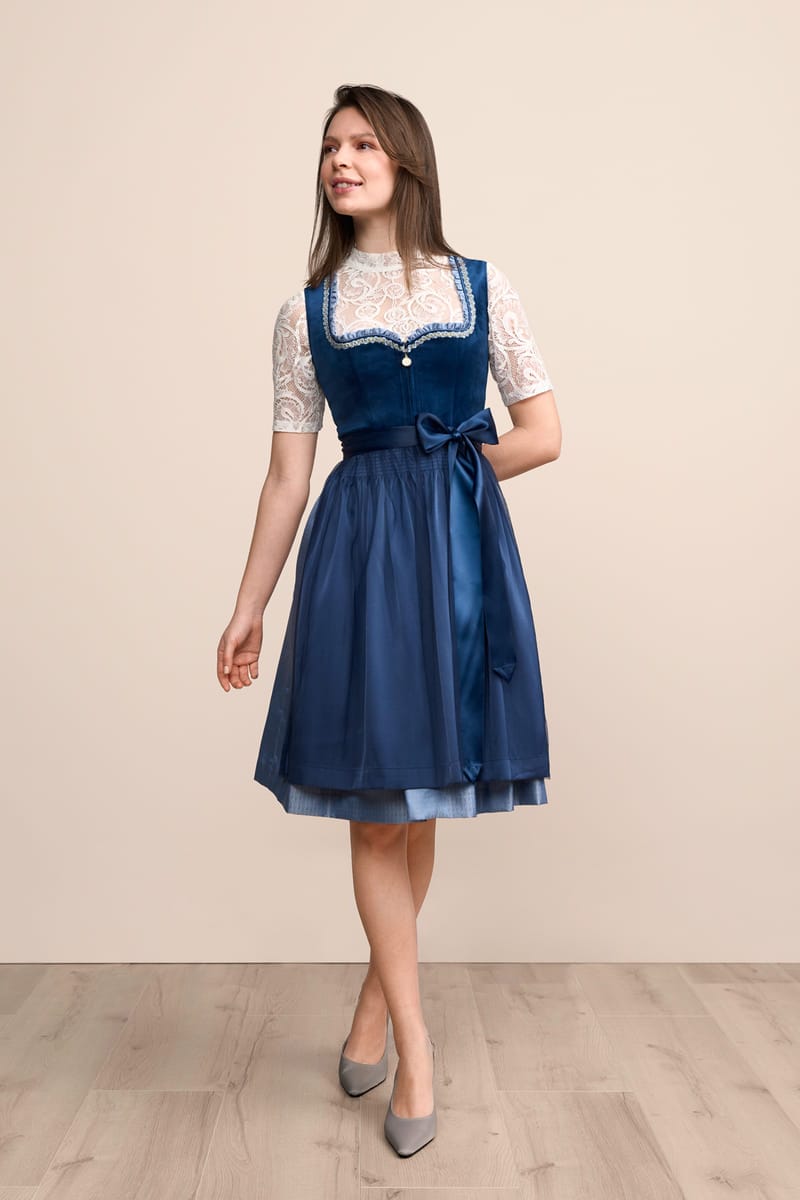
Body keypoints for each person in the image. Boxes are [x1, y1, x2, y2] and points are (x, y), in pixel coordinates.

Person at [217, 84, 562, 1158]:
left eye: (363, 143)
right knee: (378, 810)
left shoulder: (481, 285)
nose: (341, 159)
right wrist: (247, 607)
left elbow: (543, 431)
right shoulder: (305, 314)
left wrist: (453, 474)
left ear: (406, 159)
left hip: (456, 557)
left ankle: (374, 1005)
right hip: (358, 558)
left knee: (420, 801)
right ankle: (416, 1047)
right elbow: (287, 476)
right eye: (331, 146)